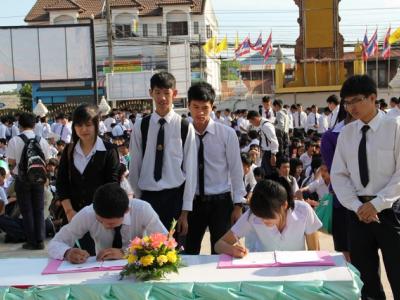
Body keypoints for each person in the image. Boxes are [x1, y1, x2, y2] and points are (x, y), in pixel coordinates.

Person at [331, 75, 400, 300]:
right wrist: (356, 206)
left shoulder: (395, 127)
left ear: (373, 98)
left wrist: (377, 204)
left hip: (390, 211)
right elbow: (339, 175)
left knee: (398, 274)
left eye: (357, 101)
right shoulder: (346, 134)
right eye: (347, 103)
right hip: (358, 214)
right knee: (365, 279)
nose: (351, 107)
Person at [128, 72, 197, 239]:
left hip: (174, 198)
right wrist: (134, 202)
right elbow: (135, 165)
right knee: (147, 252)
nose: (162, 98)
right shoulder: (141, 126)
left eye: (167, 93)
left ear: (175, 93)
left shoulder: (184, 126)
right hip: (147, 198)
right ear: (150, 92)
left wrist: (185, 211)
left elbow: (190, 169)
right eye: (158, 92)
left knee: (174, 252)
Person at [185, 82, 246, 254]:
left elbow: (236, 170)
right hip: (193, 202)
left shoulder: (227, 133)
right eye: (195, 107)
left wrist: (238, 204)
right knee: (189, 250)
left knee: (220, 251)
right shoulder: (182, 132)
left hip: (221, 202)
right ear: (188, 105)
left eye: (205, 107)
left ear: (212, 107)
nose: (200, 112)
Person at [56, 104, 120, 255]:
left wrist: (99, 214)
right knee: (76, 259)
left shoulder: (109, 150)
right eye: (79, 125)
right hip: (72, 217)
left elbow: (112, 185)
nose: (83, 129)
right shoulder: (69, 150)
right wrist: (69, 211)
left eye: (88, 124)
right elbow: (61, 182)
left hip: (101, 219)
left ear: (97, 125)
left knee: (100, 259)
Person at [48, 183, 167, 263]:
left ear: (126, 211)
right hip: (101, 268)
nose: (105, 225)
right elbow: (55, 243)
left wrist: (127, 252)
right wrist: (67, 252)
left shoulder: (142, 209)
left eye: (110, 224)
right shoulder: (88, 213)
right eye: (100, 221)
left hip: (139, 266)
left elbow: (165, 242)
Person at [214, 180, 321, 257]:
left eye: (269, 217)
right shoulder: (254, 214)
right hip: (264, 270)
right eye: (261, 217)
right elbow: (219, 245)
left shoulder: (303, 211)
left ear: (284, 205)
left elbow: (315, 251)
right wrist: (233, 250)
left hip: (296, 271)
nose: (264, 222)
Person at [6, 112, 50, 250]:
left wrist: (14, 172)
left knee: (27, 210)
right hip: (38, 179)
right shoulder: (42, 140)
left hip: (22, 179)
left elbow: (11, 163)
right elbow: (46, 162)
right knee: (39, 209)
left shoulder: (14, 140)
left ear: (19, 124)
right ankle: (41, 240)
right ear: (34, 124)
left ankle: (31, 241)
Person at [320, 98, 354, 262]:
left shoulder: (330, 136)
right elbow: (335, 169)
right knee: (350, 248)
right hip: (350, 198)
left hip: (355, 198)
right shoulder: (332, 137)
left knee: (352, 248)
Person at [247, 110, 279, 178]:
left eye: (251, 122)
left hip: (270, 153)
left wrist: (273, 155)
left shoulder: (266, 126)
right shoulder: (261, 125)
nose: (252, 124)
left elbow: (274, 140)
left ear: (255, 118)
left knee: (270, 174)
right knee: (264, 173)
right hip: (265, 152)